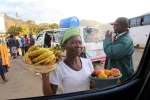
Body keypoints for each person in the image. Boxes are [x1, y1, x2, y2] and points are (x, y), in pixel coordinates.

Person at [42, 27, 95, 96]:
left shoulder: (88, 62)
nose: (78, 45)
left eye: (80, 42)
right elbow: (50, 96)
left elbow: (93, 87)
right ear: (65, 45)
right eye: (73, 42)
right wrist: (45, 75)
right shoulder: (59, 67)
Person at [103, 17, 134, 82]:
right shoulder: (120, 37)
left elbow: (112, 53)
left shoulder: (125, 40)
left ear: (122, 26)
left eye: (116, 25)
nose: (113, 27)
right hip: (116, 75)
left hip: (122, 77)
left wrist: (107, 39)